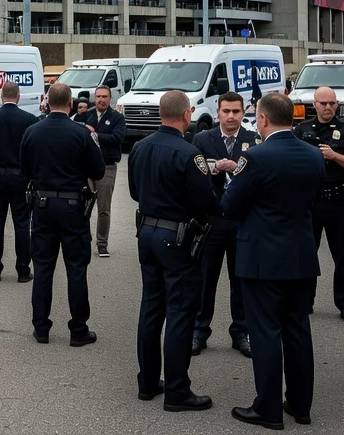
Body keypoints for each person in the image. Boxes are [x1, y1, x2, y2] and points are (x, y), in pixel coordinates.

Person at [221, 93, 322, 429]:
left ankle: (268, 409)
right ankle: (300, 404)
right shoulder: (312, 154)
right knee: (297, 331)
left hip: (263, 258)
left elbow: (231, 204)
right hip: (301, 255)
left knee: (265, 332)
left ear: (262, 119)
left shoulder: (257, 157)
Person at [130, 90, 218, 412]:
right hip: (177, 239)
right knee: (180, 312)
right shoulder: (189, 153)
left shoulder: (139, 148)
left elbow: (135, 191)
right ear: (187, 114)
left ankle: (148, 382)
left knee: (152, 308)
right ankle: (178, 391)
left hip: (147, 233)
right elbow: (205, 202)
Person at [21, 82, 105, 346]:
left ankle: (41, 327)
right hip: (72, 208)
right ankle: (78, 330)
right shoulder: (81, 133)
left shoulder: (32, 132)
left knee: (43, 268)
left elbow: (25, 170)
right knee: (76, 269)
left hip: (43, 206)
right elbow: (98, 171)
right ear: (71, 104)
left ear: (47, 102)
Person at [189, 92, 258, 357]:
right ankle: (199, 330)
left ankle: (241, 332)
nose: (231, 116)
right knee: (206, 278)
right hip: (213, 220)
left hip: (241, 222)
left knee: (240, 279)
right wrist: (214, 168)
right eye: (226, 111)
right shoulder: (202, 139)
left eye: (236, 111)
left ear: (244, 113)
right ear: (217, 112)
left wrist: (236, 168)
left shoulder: (252, 140)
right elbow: (194, 175)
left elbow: (256, 178)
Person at [293, 87, 344, 322]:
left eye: (332, 103)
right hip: (310, 200)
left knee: (342, 255)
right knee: (306, 252)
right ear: (314, 104)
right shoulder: (301, 130)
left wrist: (335, 156)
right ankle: (305, 300)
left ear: (337, 105)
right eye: (323, 103)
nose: (328, 108)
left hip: (338, 200)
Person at [0, 81, 39, 282]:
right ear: (19, 96)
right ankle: (23, 269)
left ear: (1, 96)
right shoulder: (29, 119)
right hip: (20, 176)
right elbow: (32, 150)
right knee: (22, 223)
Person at [84, 86, 127, 258]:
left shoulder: (117, 118)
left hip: (106, 166)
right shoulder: (87, 114)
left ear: (110, 98)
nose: (101, 99)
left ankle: (102, 243)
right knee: (83, 205)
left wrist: (95, 134)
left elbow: (117, 138)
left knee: (104, 208)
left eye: (105, 96)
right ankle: (84, 239)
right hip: (85, 168)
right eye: (98, 96)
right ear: (94, 98)